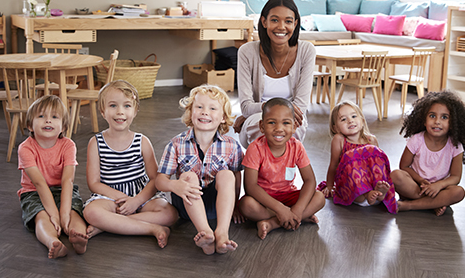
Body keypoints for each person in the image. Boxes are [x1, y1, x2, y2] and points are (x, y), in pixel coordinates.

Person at [82, 80, 178, 248]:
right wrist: (121, 199)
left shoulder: (142, 141)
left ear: (135, 111)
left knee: (170, 214)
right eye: (113, 106)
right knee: (91, 212)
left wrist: (136, 201)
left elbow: (155, 179)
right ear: (102, 111)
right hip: (110, 195)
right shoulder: (95, 142)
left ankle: (108, 226)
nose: (120, 112)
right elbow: (94, 183)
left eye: (127, 106)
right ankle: (151, 228)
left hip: (140, 194)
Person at [156, 84, 244, 255]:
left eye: (212, 108)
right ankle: (205, 233)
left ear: (223, 117)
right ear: (190, 112)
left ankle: (222, 233)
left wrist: (236, 206)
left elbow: (236, 176)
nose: (205, 112)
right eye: (199, 107)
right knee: (188, 176)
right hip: (187, 206)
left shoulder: (231, 146)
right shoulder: (176, 143)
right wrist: (175, 186)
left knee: (226, 174)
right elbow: (160, 181)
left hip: (217, 207)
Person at [234, 0, 316, 148]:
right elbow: (246, 107)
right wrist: (263, 113)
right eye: (275, 20)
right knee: (261, 126)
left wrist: (262, 110)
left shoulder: (306, 51)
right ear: (264, 21)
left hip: (290, 119)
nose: (281, 26)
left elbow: (301, 107)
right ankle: (267, 169)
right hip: (258, 119)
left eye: (288, 21)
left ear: (295, 23)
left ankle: (280, 169)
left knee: (293, 125)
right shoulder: (247, 52)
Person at [238, 97, 325, 240]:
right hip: (264, 201)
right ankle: (297, 218)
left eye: (286, 123)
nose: (279, 129)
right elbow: (250, 187)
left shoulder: (296, 146)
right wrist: (280, 209)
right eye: (272, 122)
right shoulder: (255, 148)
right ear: (262, 126)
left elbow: (310, 180)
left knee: (319, 197)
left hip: (288, 197)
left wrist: (296, 209)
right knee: (246, 205)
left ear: (294, 126)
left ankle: (274, 223)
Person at [17, 95, 89, 259]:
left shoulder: (68, 145)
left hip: (62, 188)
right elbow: (39, 183)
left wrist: (64, 213)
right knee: (41, 217)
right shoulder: (25, 148)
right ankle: (52, 242)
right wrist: (54, 216)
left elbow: (68, 180)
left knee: (74, 213)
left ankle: (78, 238)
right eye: (41, 116)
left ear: (63, 126)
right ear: (30, 125)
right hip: (34, 191)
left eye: (54, 117)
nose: (48, 121)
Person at [390, 90, 465, 216]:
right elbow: (404, 167)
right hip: (415, 186)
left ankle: (410, 205)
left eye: (444, 117)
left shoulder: (455, 146)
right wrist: (420, 181)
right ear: (424, 120)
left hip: (438, 190)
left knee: (459, 192)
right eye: (432, 116)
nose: (437, 121)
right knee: (396, 175)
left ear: (453, 124)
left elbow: (455, 177)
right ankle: (432, 204)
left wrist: (438, 186)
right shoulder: (416, 140)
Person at [317, 101, 397, 213]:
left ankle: (380, 192)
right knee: (351, 156)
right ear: (335, 128)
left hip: (371, 184)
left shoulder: (371, 140)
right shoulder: (339, 139)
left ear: (362, 121)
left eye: (354, 116)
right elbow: (334, 165)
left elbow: (377, 166)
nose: (350, 120)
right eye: (343, 119)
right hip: (351, 188)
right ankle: (366, 193)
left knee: (375, 152)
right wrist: (330, 185)